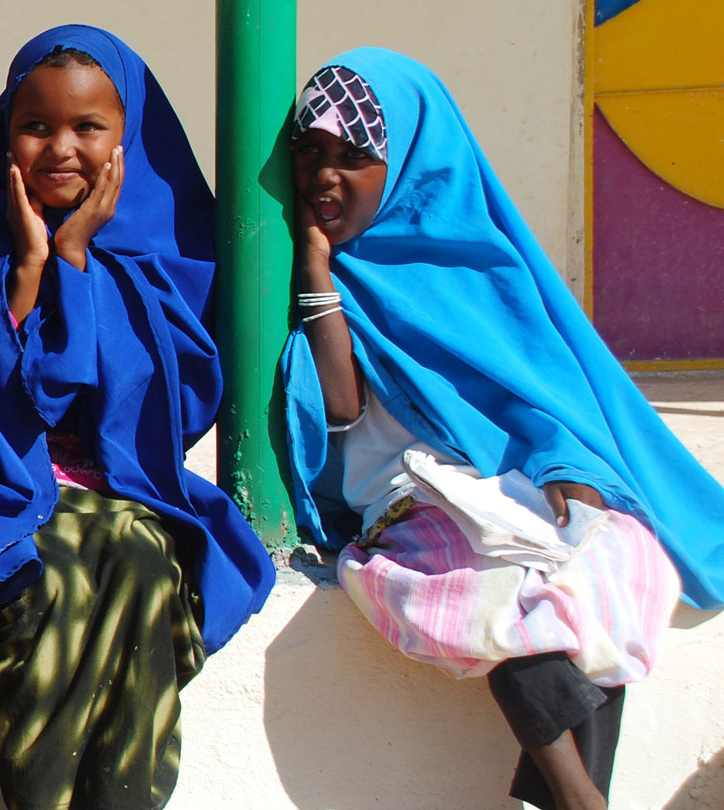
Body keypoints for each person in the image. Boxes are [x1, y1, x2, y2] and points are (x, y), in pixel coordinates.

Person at [283, 48, 721, 810]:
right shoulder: (329, 276)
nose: (326, 176)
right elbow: (343, 410)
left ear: (412, 159)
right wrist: (319, 278)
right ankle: (579, 797)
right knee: (500, 588)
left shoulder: (477, 261)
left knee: (614, 560)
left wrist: (564, 463)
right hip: (407, 494)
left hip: (501, 485)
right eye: (311, 153)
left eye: (355, 157)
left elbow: (542, 390)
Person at [0, 26, 274, 810]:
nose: (60, 149)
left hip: (129, 484)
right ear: (5, 133)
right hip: (4, 481)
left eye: (89, 128)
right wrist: (31, 270)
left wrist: (79, 262)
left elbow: (173, 409)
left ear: (129, 135)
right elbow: (7, 408)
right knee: (47, 574)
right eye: (35, 126)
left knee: (144, 558)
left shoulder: (166, 249)